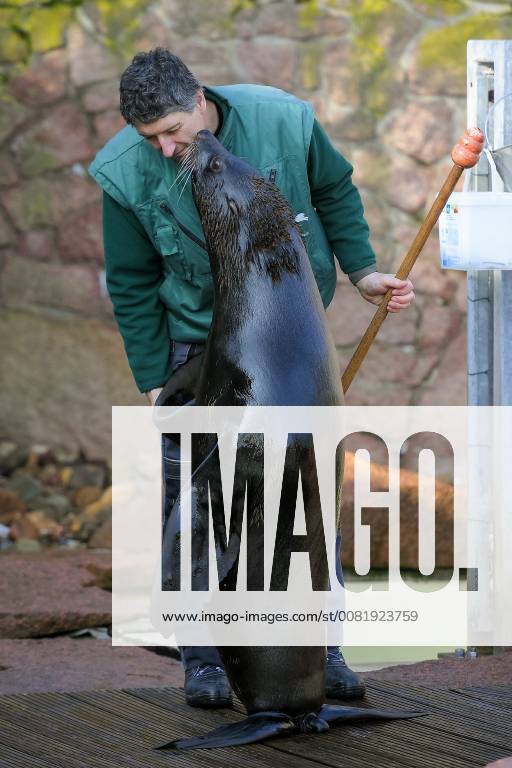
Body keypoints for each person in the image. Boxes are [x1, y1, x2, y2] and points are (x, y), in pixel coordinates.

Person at [89, 48, 414, 709]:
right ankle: (203, 658)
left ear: (200, 98)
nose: (168, 149)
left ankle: (322, 648)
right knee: (198, 508)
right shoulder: (123, 173)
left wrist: (362, 272)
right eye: (151, 138)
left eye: (175, 131)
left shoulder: (285, 121)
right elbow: (128, 280)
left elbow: (333, 191)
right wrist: (159, 378)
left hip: (284, 345)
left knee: (308, 495)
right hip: (197, 343)